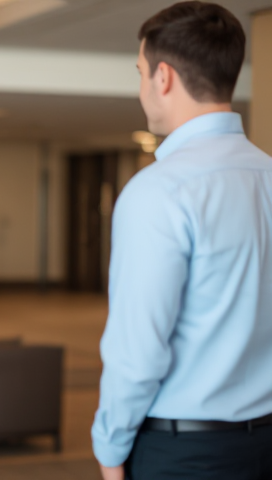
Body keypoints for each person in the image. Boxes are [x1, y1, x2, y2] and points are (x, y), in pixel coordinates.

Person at [91, 2, 272, 479]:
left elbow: (138, 350)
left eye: (140, 72)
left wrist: (110, 451)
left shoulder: (158, 191)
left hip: (186, 454)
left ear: (163, 77)